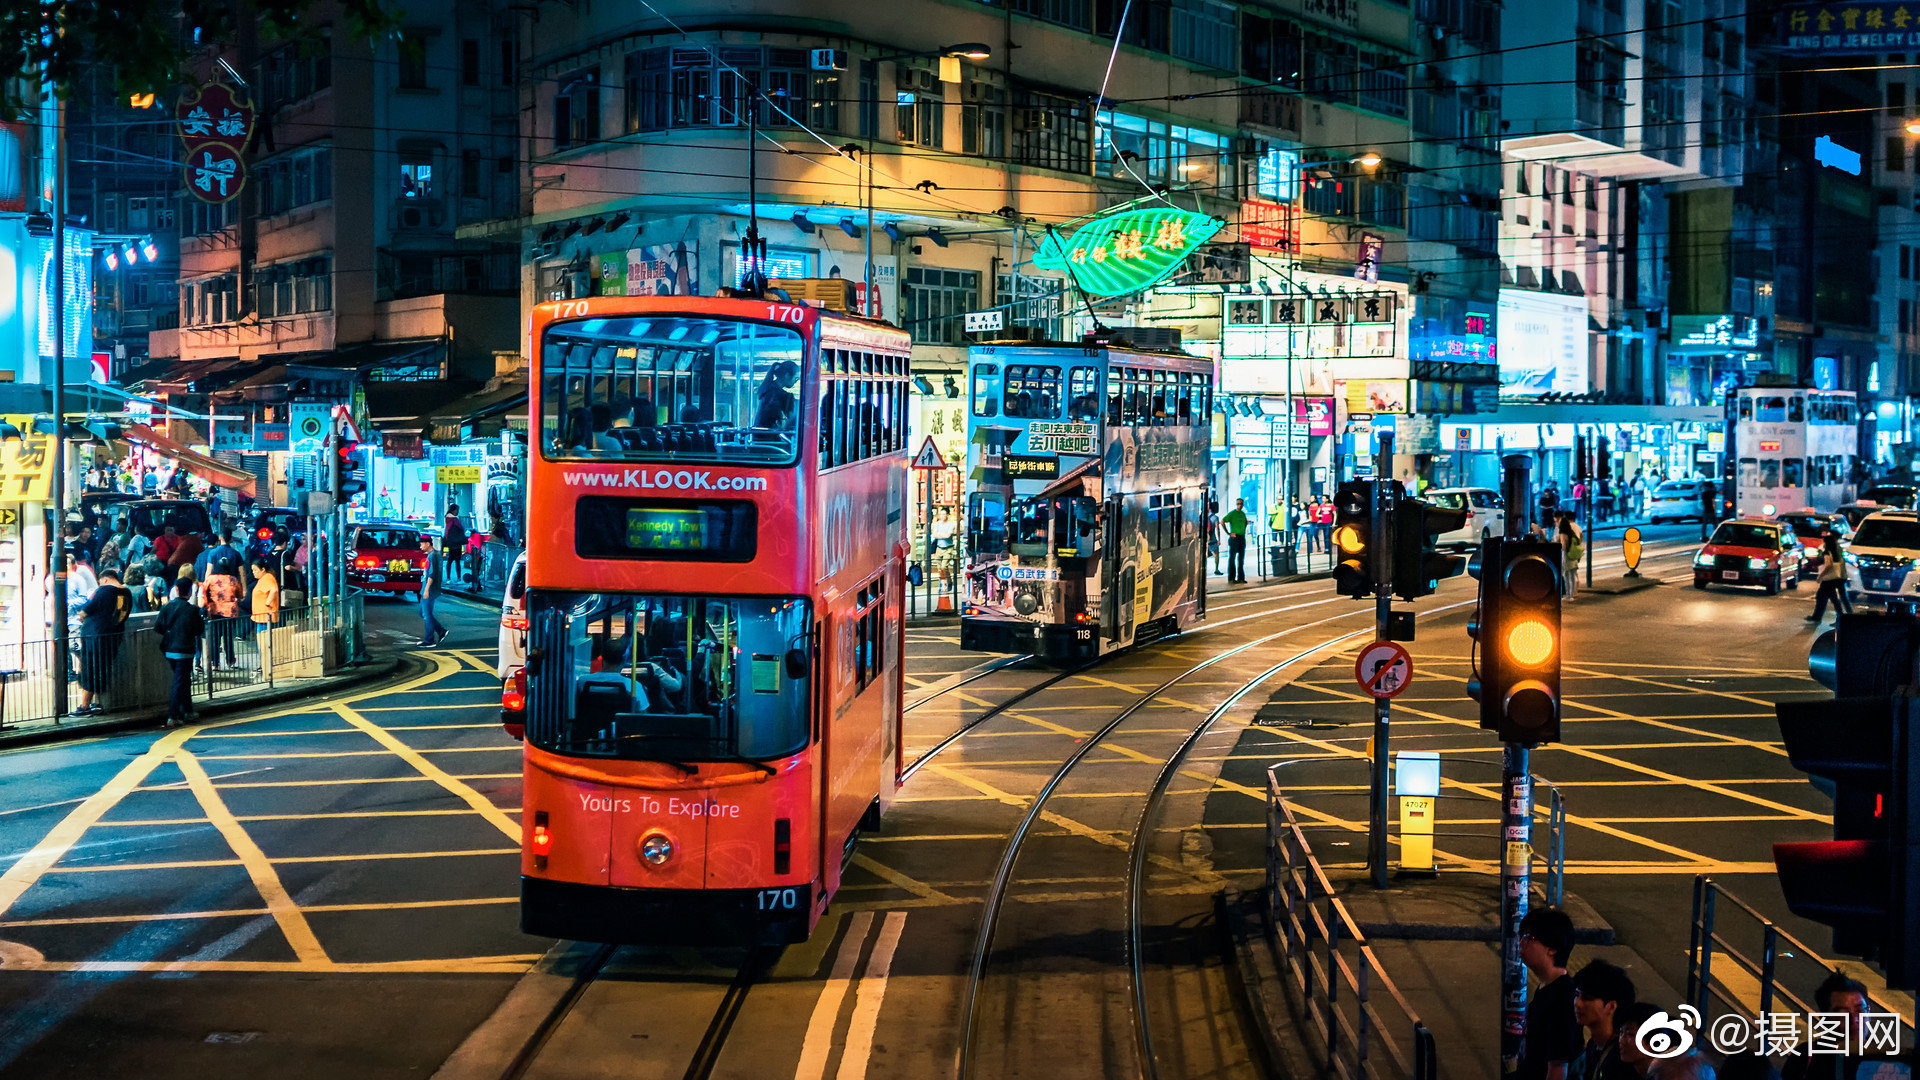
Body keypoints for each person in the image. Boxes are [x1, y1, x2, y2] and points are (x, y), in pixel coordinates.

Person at [1517, 906, 1581, 1080]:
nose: (1521, 944)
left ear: (1552, 948)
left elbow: (1558, 1067)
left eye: (1529, 938)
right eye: (1521, 937)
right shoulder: (1547, 987)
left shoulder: (1562, 998)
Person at [1780, 972, 1871, 1080]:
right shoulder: (1805, 1056)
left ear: (1869, 1011)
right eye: (1842, 1013)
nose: (1853, 1019)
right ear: (1824, 1019)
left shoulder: (1886, 1058)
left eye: (1859, 1010)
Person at [74, 569, 133, 716]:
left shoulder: (104, 591)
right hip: (113, 637)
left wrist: (82, 615)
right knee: (101, 670)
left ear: (105, 580)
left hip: (95, 638)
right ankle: (95, 703)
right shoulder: (127, 593)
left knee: (90, 670)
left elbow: (86, 610)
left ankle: (85, 706)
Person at [1569, 959, 1636, 1080]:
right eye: (1576, 995)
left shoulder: (1621, 1057)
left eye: (1587, 998)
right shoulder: (1593, 1046)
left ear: (1611, 1006)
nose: (1577, 1004)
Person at [154, 577, 206, 728]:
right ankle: (173, 715)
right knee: (180, 682)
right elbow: (199, 630)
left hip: (169, 650)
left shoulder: (167, 608)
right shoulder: (192, 610)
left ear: (176, 590)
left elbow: (158, 627)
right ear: (190, 591)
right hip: (185, 651)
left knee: (183, 681)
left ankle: (187, 711)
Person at [200, 556, 244, 669]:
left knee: (215, 638)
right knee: (228, 637)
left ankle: (215, 664)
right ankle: (230, 661)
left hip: (215, 611)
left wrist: (206, 603)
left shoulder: (211, 579)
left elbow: (203, 589)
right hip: (230, 612)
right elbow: (239, 594)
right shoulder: (233, 579)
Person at [1806, 532, 1852, 625]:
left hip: (1829, 579)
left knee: (1826, 597)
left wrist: (1820, 576)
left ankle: (1836, 618)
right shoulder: (1837, 550)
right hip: (1838, 577)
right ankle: (1846, 616)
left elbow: (1828, 566)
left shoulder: (1827, 552)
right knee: (1835, 597)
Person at [250, 556, 280, 670]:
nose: (254, 573)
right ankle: (263, 664)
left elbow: (274, 590)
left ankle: (265, 665)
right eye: (253, 570)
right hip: (261, 617)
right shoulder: (264, 579)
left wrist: (267, 603)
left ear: (263, 569)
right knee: (262, 643)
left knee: (264, 643)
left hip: (265, 617)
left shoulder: (267, 577)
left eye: (255, 570)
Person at [417, 534, 446, 647]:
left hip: (429, 589)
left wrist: (426, 590)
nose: (420, 546)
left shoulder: (432, 556)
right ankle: (440, 631)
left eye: (421, 544)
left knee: (426, 614)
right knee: (422, 612)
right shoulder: (434, 555)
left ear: (428, 543)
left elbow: (431, 574)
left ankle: (429, 640)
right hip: (427, 588)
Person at [754, 360, 799, 430]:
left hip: (760, 434)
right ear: (787, 375)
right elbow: (791, 416)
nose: (795, 382)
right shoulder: (780, 394)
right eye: (796, 378)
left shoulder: (767, 388)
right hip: (768, 436)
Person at [1223, 498, 1250, 583]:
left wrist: (1245, 527)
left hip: (1241, 537)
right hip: (1234, 538)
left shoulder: (1243, 514)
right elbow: (1222, 521)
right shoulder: (1232, 514)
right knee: (1232, 558)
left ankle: (1241, 578)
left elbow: (1245, 523)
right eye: (1238, 504)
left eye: (1241, 504)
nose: (1240, 505)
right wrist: (1228, 533)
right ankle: (1231, 578)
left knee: (1241, 559)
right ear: (1236, 504)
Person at [1559, 511, 1583, 598]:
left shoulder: (1564, 531)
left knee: (1566, 574)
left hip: (1568, 553)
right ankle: (1573, 593)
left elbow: (1564, 544)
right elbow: (1581, 536)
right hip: (1575, 552)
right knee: (1573, 574)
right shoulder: (1576, 527)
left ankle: (1569, 595)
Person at [443, 504, 469, 585]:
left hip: (451, 543)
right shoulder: (454, 519)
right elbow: (461, 529)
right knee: (457, 561)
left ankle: (448, 578)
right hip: (457, 543)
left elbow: (447, 530)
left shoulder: (447, 518)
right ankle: (458, 578)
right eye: (457, 510)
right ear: (453, 510)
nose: (457, 512)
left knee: (449, 561)